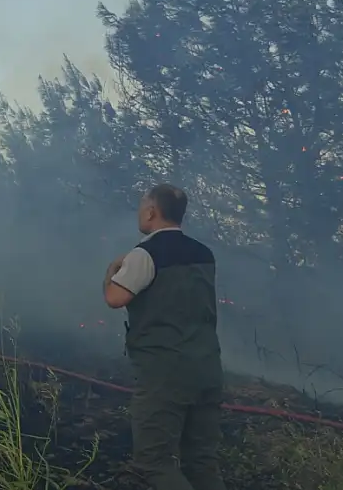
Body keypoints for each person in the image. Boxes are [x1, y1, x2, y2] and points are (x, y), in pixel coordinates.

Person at [103, 184, 225, 490]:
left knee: (153, 464)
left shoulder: (144, 255)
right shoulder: (204, 254)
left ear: (151, 211)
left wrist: (112, 269)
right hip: (208, 369)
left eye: (142, 205)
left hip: (164, 374)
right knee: (201, 462)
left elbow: (115, 298)